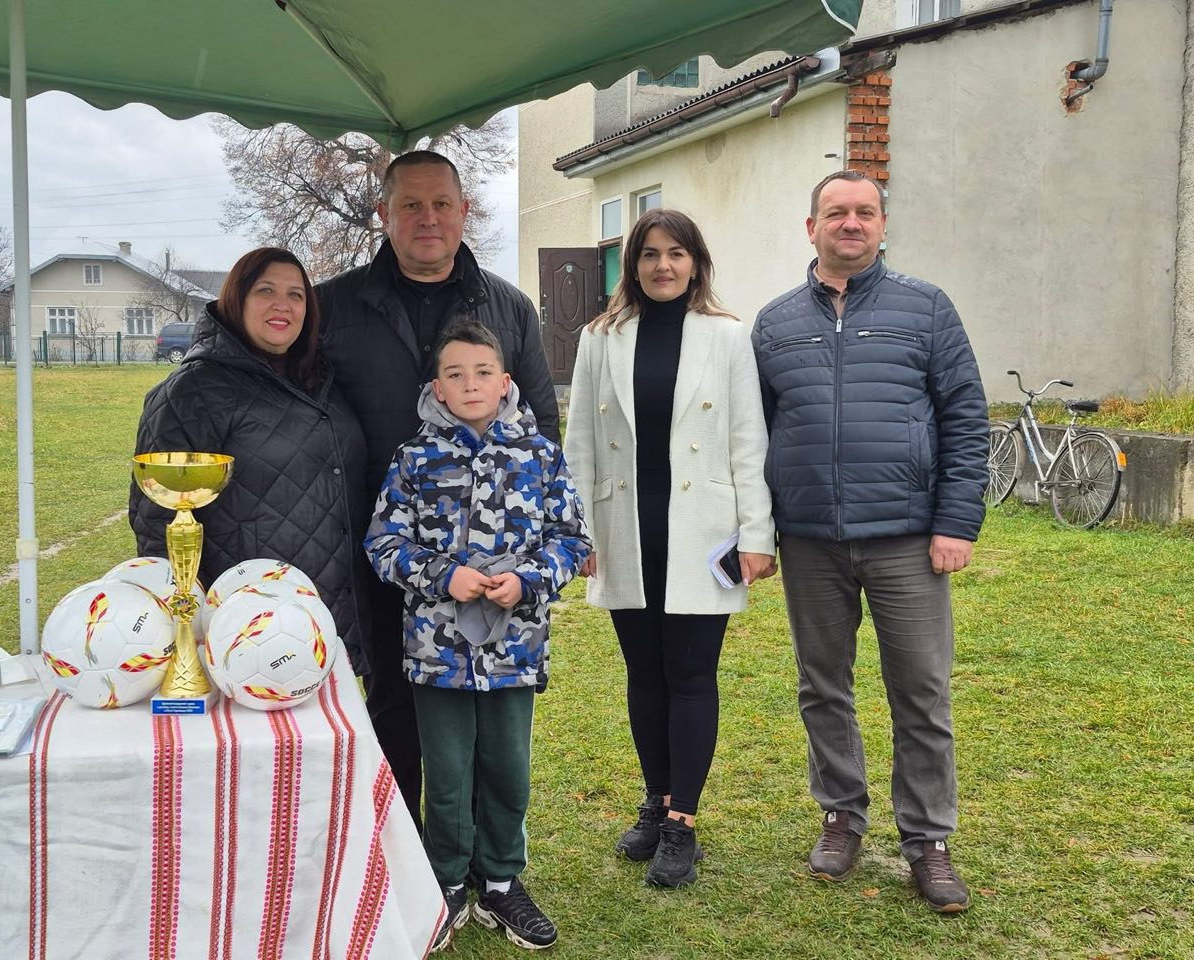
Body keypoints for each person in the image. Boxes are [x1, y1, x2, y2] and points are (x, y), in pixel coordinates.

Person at [751, 170, 989, 913]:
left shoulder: (926, 309)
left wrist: (956, 521)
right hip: (812, 539)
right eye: (835, 212)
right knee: (823, 685)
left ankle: (927, 841)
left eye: (864, 213)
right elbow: (749, 435)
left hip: (908, 540)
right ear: (810, 225)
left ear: (883, 225)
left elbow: (966, 418)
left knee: (920, 690)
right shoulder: (775, 323)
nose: (849, 223)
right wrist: (761, 529)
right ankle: (841, 817)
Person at [317, 150, 558, 829]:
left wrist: (528, 554)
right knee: (393, 698)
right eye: (411, 205)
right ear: (383, 215)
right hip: (377, 544)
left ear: (464, 211)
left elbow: (542, 429)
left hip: (489, 567)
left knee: (487, 715)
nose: (428, 219)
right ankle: (404, 855)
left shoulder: (507, 308)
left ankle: (489, 868)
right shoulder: (333, 307)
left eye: (442, 204)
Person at [563, 208, 776, 889]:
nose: (662, 265)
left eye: (675, 253)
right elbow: (581, 446)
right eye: (650, 254)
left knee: (690, 674)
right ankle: (655, 804)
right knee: (644, 674)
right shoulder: (601, 338)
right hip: (627, 527)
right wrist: (578, 534)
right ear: (632, 266)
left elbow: (749, 440)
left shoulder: (726, 336)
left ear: (695, 262)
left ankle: (683, 822)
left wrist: (757, 536)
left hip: (704, 531)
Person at [365, 319, 589, 952]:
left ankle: (500, 881)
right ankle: (445, 883)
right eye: (455, 374)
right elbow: (382, 542)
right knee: (448, 769)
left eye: (483, 372)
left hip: (513, 650)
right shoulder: (413, 458)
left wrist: (530, 580)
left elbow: (572, 540)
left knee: (508, 768)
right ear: (436, 385)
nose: (470, 384)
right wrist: (442, 575)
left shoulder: (540, 455)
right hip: (437, 652)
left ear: (505, 381)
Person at [130, 246, 368, 674]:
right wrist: (192, 620)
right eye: (266, 291)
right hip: (249, 630)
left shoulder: (323, 378)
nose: (283, 305)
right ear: (236, 299)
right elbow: (158, 522)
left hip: (329, 616)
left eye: (297, 295)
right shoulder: (193, 392)